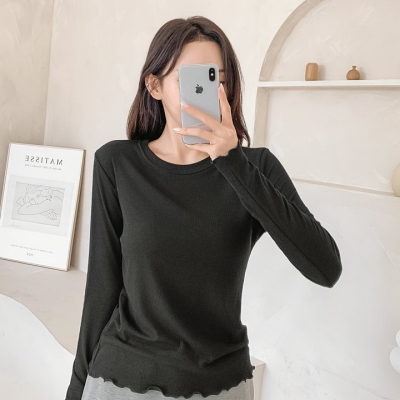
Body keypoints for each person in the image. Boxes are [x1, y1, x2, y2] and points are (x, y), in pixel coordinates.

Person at [65, 16, 342, 400]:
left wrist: (232, 161)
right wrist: (76, 390)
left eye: (217, 79)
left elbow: (325, 268)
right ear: (154, 86)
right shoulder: (116, 164)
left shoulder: (255, 169)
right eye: (192, 79)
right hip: (123, 378)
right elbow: (101, 290)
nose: (208, 91)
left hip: (222, 383)